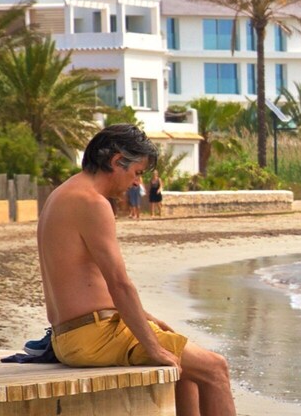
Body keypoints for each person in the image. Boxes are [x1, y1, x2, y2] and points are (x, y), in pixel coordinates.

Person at [38, 125, 234, 415]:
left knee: (189, 371)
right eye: (137, 173)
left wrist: (150, 320)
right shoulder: (92, 203)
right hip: (94, 335)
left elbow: (91, 287)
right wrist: (152, 346)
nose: (135, 183)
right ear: (117, 162)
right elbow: (119, 284)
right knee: (216, 369)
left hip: (72, 334)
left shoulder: (62, 194)